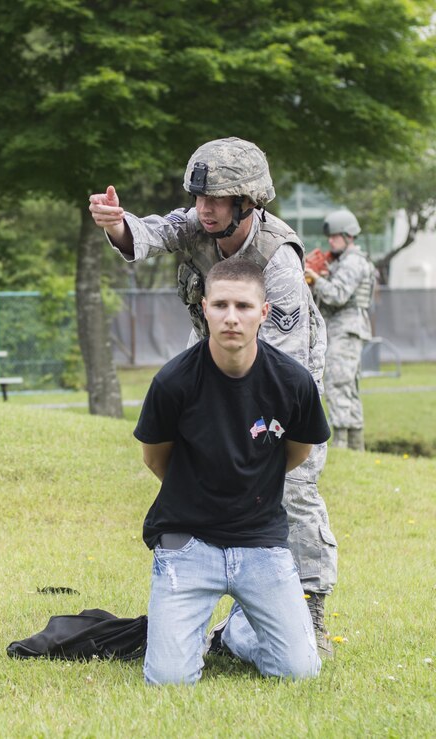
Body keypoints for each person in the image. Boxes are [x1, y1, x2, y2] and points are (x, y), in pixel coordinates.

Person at [88, 137, 337, 657]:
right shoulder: (198, 224)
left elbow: (283, 372)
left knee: (294, 487)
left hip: (282, 370)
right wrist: (117, 223)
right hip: (212, 361)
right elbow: (153, 231)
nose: (205, 207)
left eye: (218, 198)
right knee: (199, 467)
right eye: (200, 196)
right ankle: (205, 595)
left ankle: (307, 606)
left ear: (249, 202)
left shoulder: (280, 261)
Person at [135, 258, 329, 685]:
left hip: (261, 542)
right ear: (204, 308)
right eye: (220, 304)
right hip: (187, 542)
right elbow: (155, 458)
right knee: (168, 681)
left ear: (264, 312)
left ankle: (236, 631)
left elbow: (296, 451)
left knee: (299, 672)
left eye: (243, 306)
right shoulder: (173, 383)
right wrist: (200, 490)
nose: (231, 317)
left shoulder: (293, 383)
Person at [306, 209, 377, 452]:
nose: (331, 241)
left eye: (335, 236)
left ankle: (342, 444)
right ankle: (356, 447)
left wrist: (316, 278)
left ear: (349, 236)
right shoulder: (343, 262)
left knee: (338, 384)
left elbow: (338, 295)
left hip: (345, 329)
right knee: (347, 385)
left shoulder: (353, 262)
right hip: (345, 329)